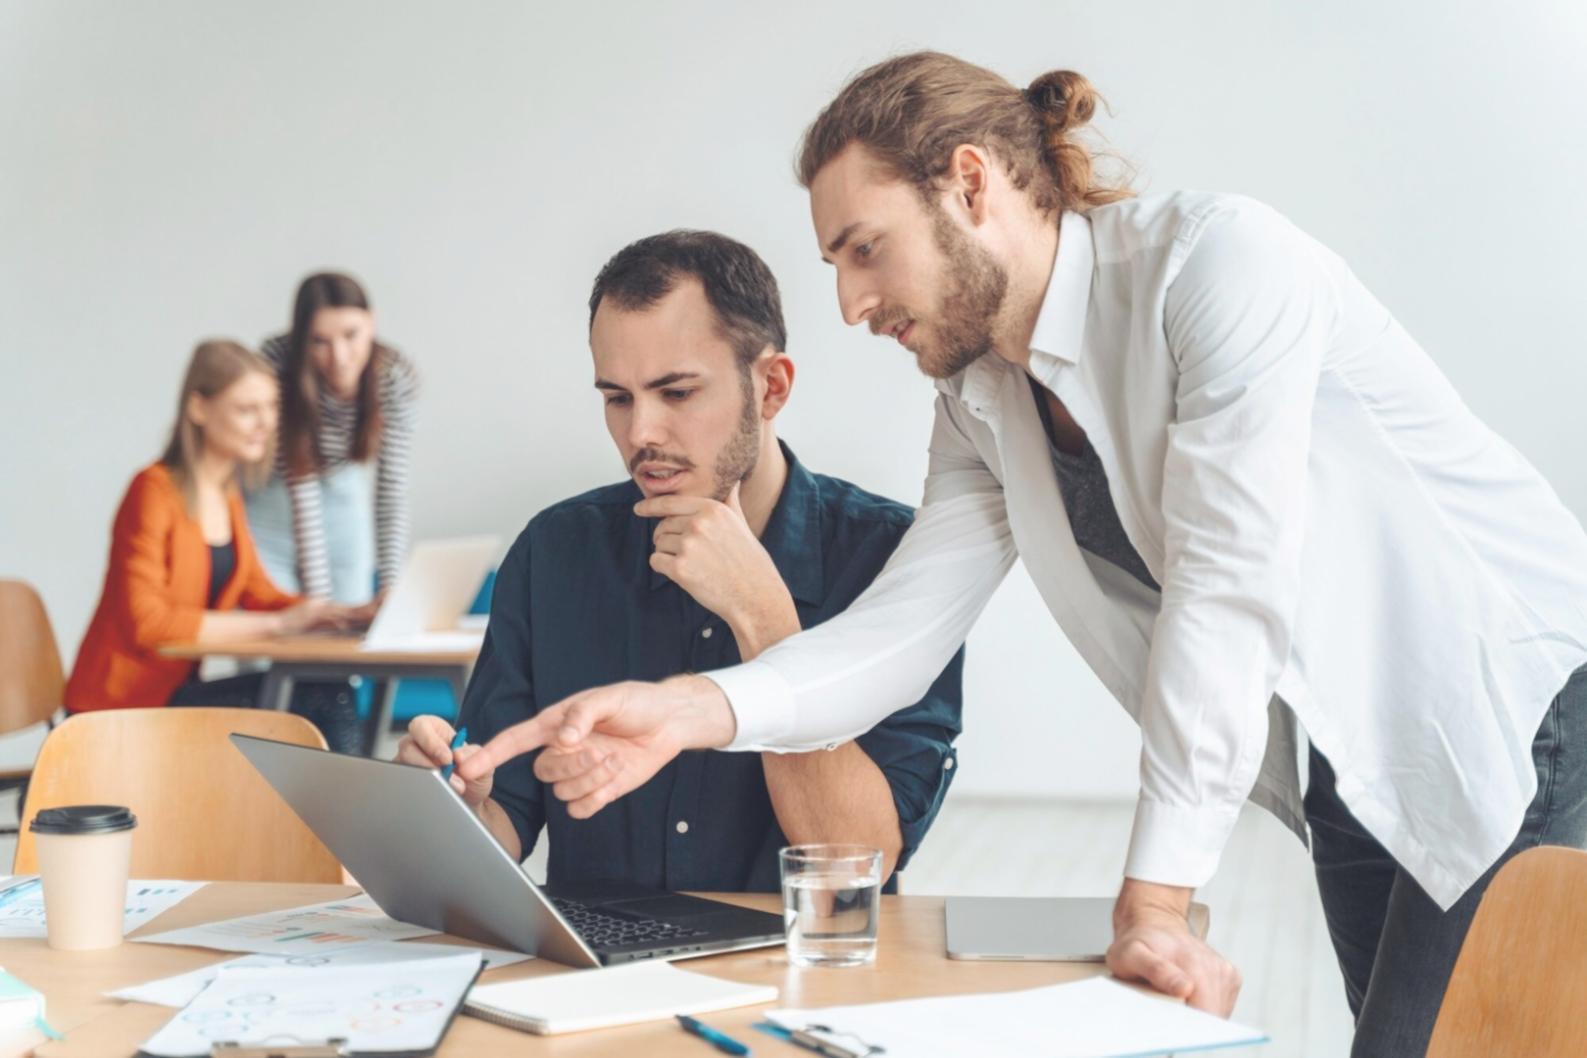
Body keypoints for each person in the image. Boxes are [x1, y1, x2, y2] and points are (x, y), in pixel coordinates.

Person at [461, 53, 1587, 1057]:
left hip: (1513, 707)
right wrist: (685, 709)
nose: (849, 302)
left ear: (969, 183)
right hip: (1348, 760)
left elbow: (1227, 592)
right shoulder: (981, 400)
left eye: (865, 250)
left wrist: (1153, 902)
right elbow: (896, 634)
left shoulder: (1218, 267)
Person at [396, 231, 964, 892]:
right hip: (593, 957)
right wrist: (455, 810)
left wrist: (762, 618)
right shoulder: (554, 552)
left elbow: (856, 864)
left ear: (771, 387)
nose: (641, 433)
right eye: (617, 398)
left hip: (792, 953)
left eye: (677, 393)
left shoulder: (891, 560)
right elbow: (507, 821)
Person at [64, 340, 362, 748]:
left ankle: (342, 793)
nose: (265, 422)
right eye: (247, 409)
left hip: (171, 697)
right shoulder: (152, 491)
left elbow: (258, 593)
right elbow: (148, 624)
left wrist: (345, 614)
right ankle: (351, 794)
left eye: (271, 407)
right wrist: (278, 626)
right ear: (199, 408)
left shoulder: (226, 493)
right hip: (119, 707)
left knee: (325, 688)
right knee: (320, 695)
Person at [247, 272, 418, 605]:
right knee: (279, 622)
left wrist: (391, 586)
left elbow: (392, 489)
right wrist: (319, 603)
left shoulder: (395, 377)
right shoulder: (277, 361)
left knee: (349, 618)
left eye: (351, 335)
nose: (339, 357)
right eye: (319, 341)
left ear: (372, 322)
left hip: (342, 497)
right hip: (274, 499)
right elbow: (300, 480)